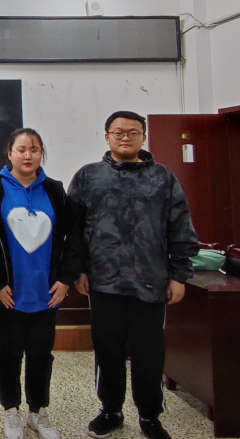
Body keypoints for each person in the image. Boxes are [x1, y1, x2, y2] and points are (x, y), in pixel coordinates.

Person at [68, 111, 199, 439]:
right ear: (107, 137)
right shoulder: (88, 177)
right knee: (107, 349)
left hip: (151, 280)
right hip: (103, 280)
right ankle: (110, 410)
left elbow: (180, 226)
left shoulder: (163, 177)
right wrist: (78, 270)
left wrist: (180, 275)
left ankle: (150, 415)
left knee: (149, 352)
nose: (125, 138)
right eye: (118, 132)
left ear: (143, 137)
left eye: (133, 132)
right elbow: (73, 230)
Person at [0, 128, 83, 439]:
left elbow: (72, 238)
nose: (28, 155)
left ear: (41, 154)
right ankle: (11, 410)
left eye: (34, 150)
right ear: (9, 153)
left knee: (41, 352)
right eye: (21, 149)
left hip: (47, 290)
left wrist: (65, 279)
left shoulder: (55, 191)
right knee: (8, 351)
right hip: (8, 291)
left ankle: (37, 411)